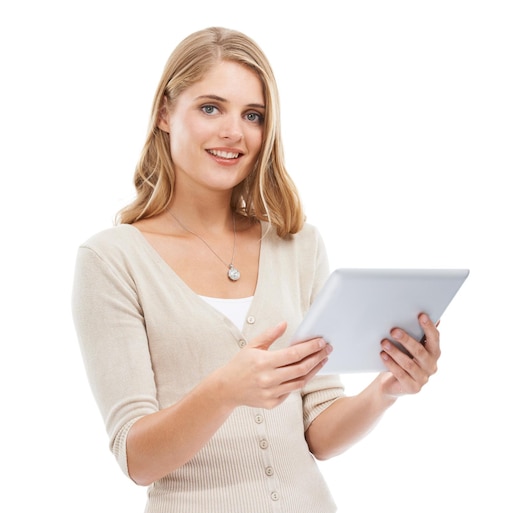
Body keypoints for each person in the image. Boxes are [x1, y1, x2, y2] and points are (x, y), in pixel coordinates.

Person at [72, 27, 441, 513]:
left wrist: (386, 389)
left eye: (253, 115)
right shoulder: (112, 260)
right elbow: (138, 458)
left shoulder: (298, 246)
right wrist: (225, 390)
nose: (234, 132)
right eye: (210, 108)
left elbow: (320, 432)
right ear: (165, 113)